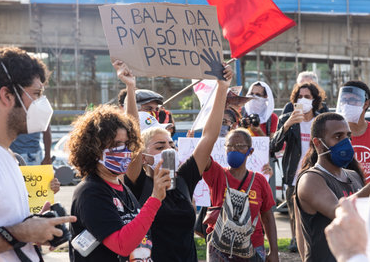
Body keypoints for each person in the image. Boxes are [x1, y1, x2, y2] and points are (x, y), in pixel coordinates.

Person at [0, 47, 76, 261]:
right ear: (7, 95)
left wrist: (35, 228)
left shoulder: (9, 156)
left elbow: (0, 228)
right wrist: (20, 233)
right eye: (36, 94)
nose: (43, 104)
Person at [124, 63, 233, 262]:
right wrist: (131, 88)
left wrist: (222, 88)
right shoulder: (138, 181)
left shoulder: (184, 178)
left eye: (170, 145)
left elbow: (208, 137)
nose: (167, 150)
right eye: (159, 146)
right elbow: (131, 139)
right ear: (143, 155)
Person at [68, 59, 171, 261]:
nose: (123, 151)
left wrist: (130, 87)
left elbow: (133, 126)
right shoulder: (91, 192)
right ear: (93, 149)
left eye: (125, 144)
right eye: (115, 145)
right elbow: (122, 245)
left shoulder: (121, 186)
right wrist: (155, 199)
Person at [295, 112, 370, 262]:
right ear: (318, 143)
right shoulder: (310, 179)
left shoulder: (353, 175)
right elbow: (338, 211)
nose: (346, 142)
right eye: (338, 137)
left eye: (348, 136)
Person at [203, 128, 278, 261]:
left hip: (253, 247)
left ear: (250, 151)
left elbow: (267, 216)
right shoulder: (217, 174)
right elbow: (202, 155)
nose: (234, 150)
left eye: (240, 146)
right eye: (230, 146)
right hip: (220, 248)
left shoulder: (259, 180)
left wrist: (274, 251)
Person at [271, 82, 325, 252]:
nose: (303, 100)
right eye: (299, 97)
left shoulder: (322, 121)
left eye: (307, 97)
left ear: (314, 100)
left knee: (318, 215)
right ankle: (297, 244)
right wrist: (286, 126)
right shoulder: (287, 120)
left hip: (318, 176)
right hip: (294, 178)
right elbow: (273, 147)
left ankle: (316, 246)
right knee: (295, 216)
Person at [336, 81, 370, 184]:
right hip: (346, 197)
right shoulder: (335, 136)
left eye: (353, 100)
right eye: (344, 100)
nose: (347, 104)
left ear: (366, 103)